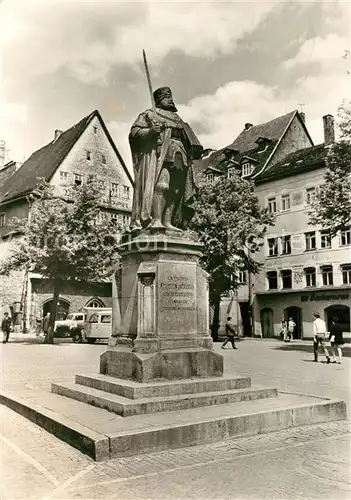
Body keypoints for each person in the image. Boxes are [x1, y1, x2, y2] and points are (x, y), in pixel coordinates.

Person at [129, 86, 203, 232]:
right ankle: (156, 220)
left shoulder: (178, 119)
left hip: (180, 155)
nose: (170, 99)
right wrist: (150, 131)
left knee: (176, 191)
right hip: (162, 154)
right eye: (166, 97)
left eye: (170, 97)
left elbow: (190, 140)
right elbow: (134, 134)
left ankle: (168, 222)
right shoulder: (149, 114)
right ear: (158, 100)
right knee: (162, 185)